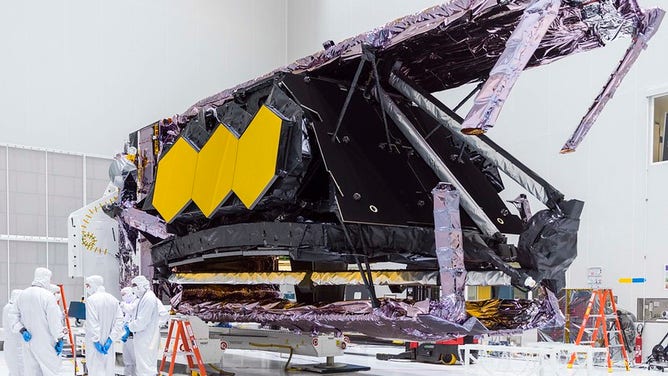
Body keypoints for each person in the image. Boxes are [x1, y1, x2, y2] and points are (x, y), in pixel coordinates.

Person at [9, 267, 66, 376]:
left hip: (28, 342)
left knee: (31, 372)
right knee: (50, 371)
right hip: (45, 343)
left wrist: (22, 330)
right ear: (46, 279)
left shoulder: (22, 294)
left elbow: (13, 315)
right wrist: (60, 338)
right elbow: (54, 322)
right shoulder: (48, 296)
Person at [84, 275, 124, 376]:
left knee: (95, 369)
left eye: (88, 285)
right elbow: (119, 321)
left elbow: (93, 323)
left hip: (95, 343)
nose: (87, 288)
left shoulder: (91, 300)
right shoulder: (113, 299)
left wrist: (96, 340)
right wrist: (111, 339)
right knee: (108, 370)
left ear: (94, 285)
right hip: (108, 344)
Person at [123, 276, 163, 376]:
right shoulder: (143, 298)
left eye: (135, 286)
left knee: (146, 368)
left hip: (146, 338)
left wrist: (129, 327)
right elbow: (135, 313)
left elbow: (142, 322)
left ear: (142, 285)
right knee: (142, 367)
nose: (133, 288)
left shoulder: (148, 298)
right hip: (143, 337)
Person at [2, 289, 24, 376]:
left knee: (14, 368)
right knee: (18, 368)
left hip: (10, 343)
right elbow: (15, 325)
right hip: (15, 343)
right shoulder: (11, 308)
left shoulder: (7, 307)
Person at [119, 287, 138, 376]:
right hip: (126, 337)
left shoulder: (137, 302)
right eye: (122, 295)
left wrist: (122, 305)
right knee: (127, 361)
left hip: (134, 337)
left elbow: (131, 310)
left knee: (135, 361)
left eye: (124, 294)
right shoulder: (127, 303)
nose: (123, 296)